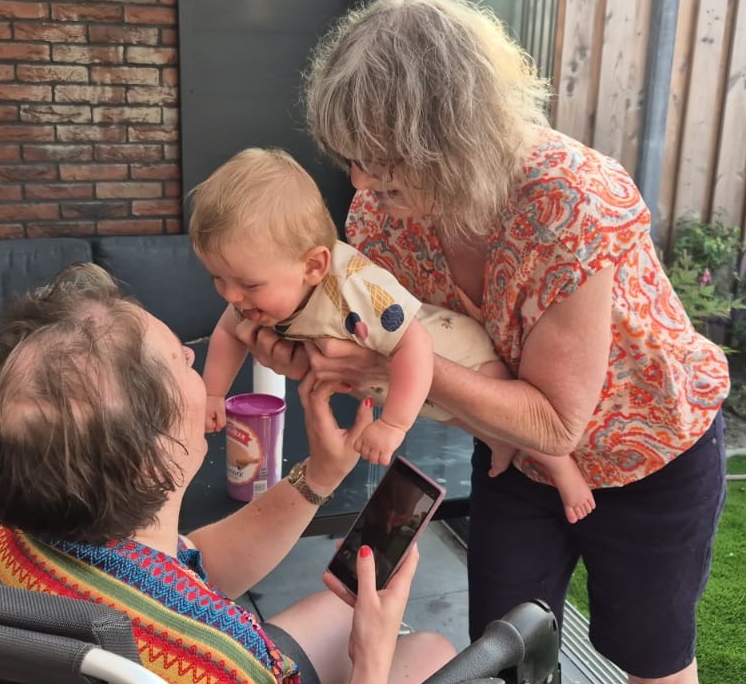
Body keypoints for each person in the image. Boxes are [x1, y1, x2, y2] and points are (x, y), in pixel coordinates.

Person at [235, 0, 732, 684]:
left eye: (383, 162)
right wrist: (315, 353)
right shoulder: (382, 215)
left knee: (655, 667)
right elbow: (407, 362)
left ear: (454, 139)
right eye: (351, 158)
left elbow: (556, 421)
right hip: (515, 456)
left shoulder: (569, 200)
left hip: (651, 453)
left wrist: (387, 368)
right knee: (497, 664)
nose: (361, 184)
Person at [0, 262, 466, 684]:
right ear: (155, 459)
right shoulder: (220, 670)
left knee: (343, 611)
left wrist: (319, 477)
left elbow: (184, 567)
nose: (193, 358)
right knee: (434, 657)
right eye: (179, 361)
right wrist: (371, 666)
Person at [187, 146, 596, 522]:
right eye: (217, 278)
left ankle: (562, 470)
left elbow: (414, 344)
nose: (231, 295)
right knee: (463, 416)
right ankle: (500, 443)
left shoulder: (355, 291)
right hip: (397, 381)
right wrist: (213, 394)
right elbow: (228, 331)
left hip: (451, 349)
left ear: (314, 266)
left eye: (247, 285)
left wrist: (394, 426)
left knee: (492, 404)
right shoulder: (256, 284)